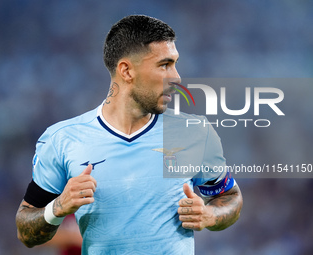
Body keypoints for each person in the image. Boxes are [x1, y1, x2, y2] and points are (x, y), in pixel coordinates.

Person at [16, 14, 243, 254]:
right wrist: (58, 207)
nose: (176, 77)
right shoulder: (62, 139)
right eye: (164, 64)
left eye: (175, 63)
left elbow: (230, 197)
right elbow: (25, 230)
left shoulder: (193, 133)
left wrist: (209, 215)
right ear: (126, 71)